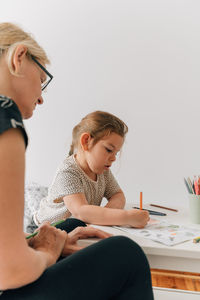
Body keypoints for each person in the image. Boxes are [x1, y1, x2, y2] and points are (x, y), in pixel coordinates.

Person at [0, 22, 154, 299]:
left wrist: (38, 245)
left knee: (71, 227)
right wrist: (47, 251)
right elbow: (10, 271)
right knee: (126, 254)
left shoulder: (103, 173)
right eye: (42, 78)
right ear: (19, 57)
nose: (41, 97)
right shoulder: (5, 118)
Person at [32, 111, 149, 231]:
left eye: (116, 153)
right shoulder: (68, 172)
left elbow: (117, 195)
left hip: (76, 228)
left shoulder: (103, 171)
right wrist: (126, 217)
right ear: (86, 141)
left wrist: (107, 214)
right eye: (109, 150)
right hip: (44, 230)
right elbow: (81, 212)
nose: (114, 158)